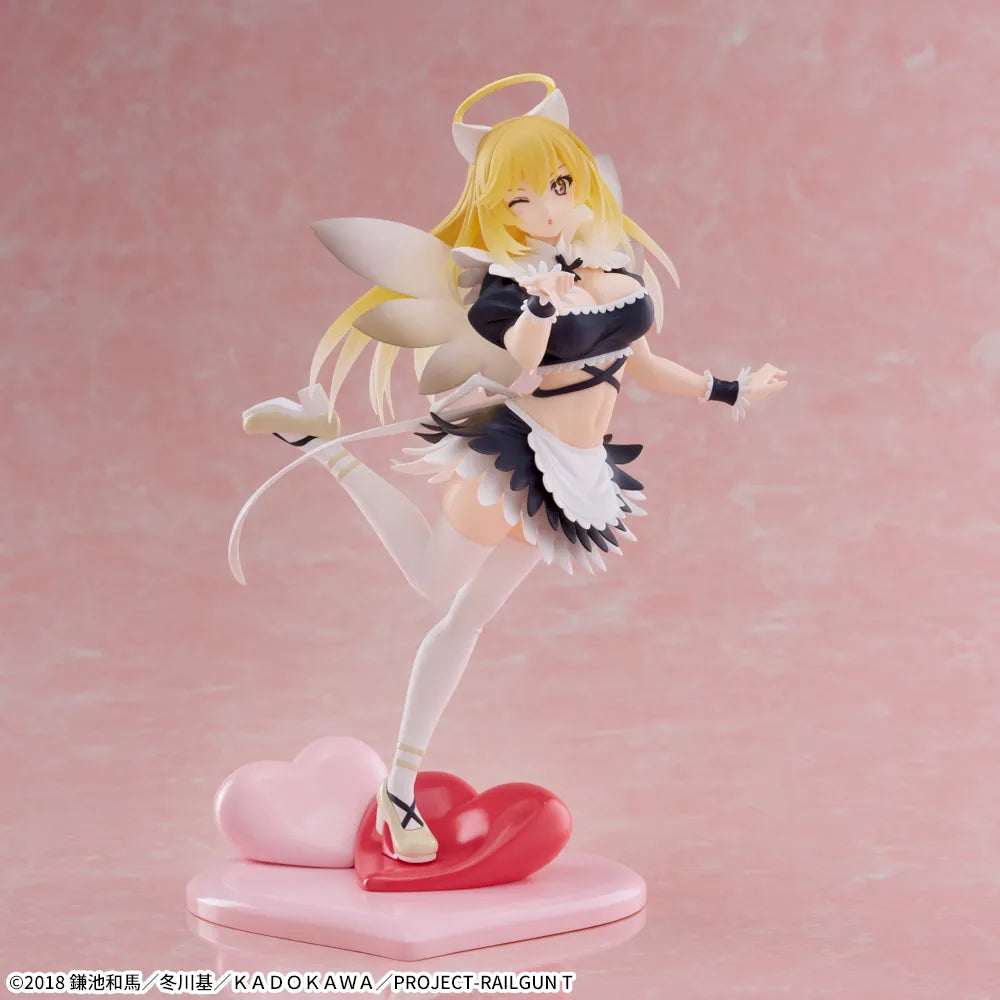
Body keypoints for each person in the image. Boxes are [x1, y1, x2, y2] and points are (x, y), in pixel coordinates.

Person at [232, 74, 788, 865]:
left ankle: (398, 788)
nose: (545, 210)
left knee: (469, 618)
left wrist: (729, 389)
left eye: (557, 187)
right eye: (520, 200)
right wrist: (538, 305)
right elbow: (520, 367)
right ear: (497, 207)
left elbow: (640, 363)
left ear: (580, 182)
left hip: (577, 474)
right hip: (518, 458)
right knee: (435, 582)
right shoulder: (502, 288)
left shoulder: (612, 272)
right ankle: (324, 445)